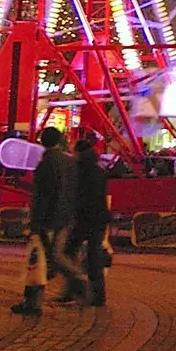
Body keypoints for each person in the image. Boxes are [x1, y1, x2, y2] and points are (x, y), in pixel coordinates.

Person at [12, 127, 84, 315]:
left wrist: (35, 223)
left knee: (39, 258)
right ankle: (76, 283)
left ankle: (35, 302)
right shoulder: (70, 162)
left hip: (49, 218)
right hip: (66, 215)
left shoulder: (45, 164)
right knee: (52, 256)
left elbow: (42, 197)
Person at [63, 130, 110, 308]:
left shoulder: (77, 170)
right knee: (94, 256)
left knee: (67, 253)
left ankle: (75, 288)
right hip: (99, 217)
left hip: (83, 217)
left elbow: (75, 195)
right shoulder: (98, 170)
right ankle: (98, 296)